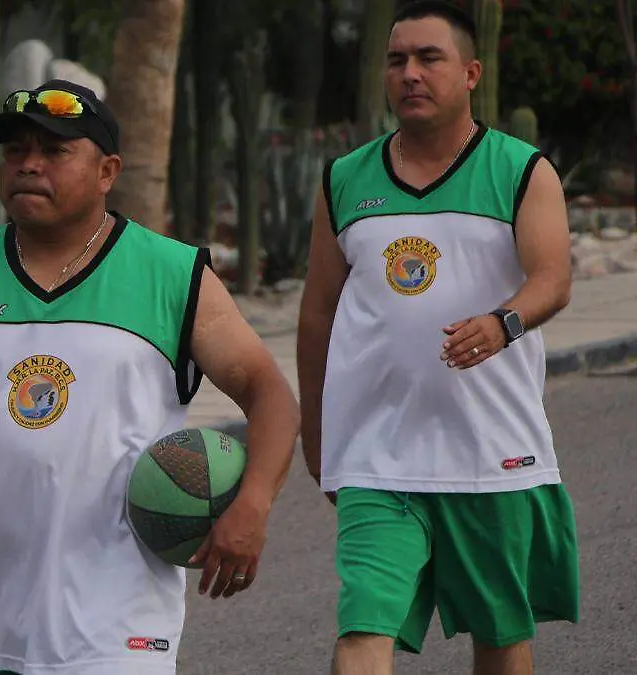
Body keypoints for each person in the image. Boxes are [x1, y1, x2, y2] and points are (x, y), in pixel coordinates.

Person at [0, 79, 300, 674]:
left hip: (115, 626)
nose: (29, 165)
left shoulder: (173, 276)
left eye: (54, 151)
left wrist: (252, 503)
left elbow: (270, 394)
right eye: (16, 151)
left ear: (107, 171)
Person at [297, 2, 579, 674]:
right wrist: (319, 431)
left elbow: (553, 278)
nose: (410, 74)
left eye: (429, 58)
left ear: (472, 72)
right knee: (363, 626)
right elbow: (317, 312)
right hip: (377, 454)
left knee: (500, 636)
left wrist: (501, 322)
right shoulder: (345, 179)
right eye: (396, 60)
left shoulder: (519, 170)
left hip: (491, 450)